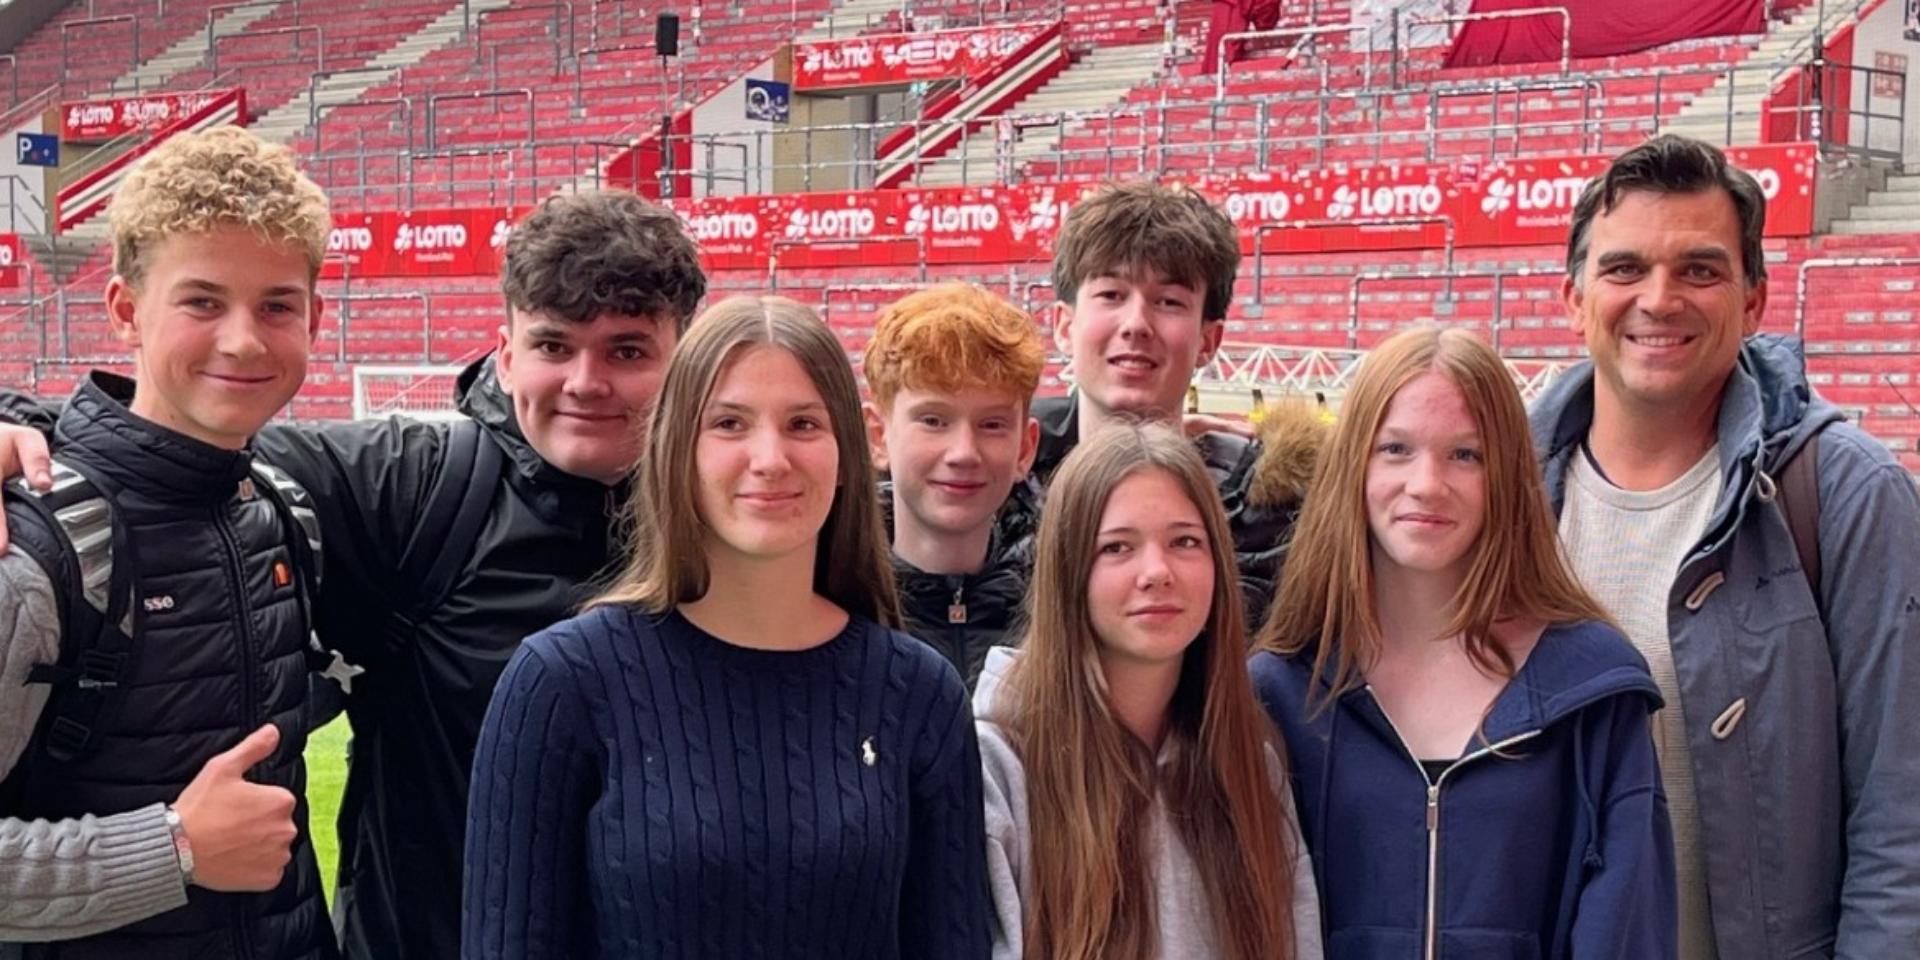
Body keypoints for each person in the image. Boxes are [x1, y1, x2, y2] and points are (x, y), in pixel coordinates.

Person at [0, 189, 707, 960]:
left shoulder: (746, 518)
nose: (585, 382)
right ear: (506, 354)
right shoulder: (416, 488)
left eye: (628, 351)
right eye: (553, 346)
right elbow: (165, 446)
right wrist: (16, 430)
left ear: (688, 355)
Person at [462, 296, 992, 960]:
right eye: (730, 424)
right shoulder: (561, 686)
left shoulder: (917, 695)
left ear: (846, 449)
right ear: (678, 446)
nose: (769, 458)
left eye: (803, 423)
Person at [1535, 134, 1920, 959]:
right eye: (1625, 268)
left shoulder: (1846, 494)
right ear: (1573, 298)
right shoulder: (1503, 493)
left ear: (1754, 303)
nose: (1659, 299)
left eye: (1700, 270)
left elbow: (1903, 815)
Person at [0, 126, 339, 958]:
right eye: (202, 301)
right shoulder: (33, 548)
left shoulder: (280, 509)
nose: (243, 340)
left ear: (315, 318)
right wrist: (174, 848)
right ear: (124, 309)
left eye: (276, 306)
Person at [1250, 326, 1676, 958]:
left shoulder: (1593, 692)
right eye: (1395, 449)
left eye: (1465, 455)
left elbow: (1628, 930)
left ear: (1505, 474)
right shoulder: (1280, 692)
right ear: (1353, 467)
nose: (1426, 483)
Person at [977, 422, 1320, 960]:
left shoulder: (1251, 764)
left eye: (1185, 541)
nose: (1157, 572)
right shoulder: (996, 766)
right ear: (1070, 572)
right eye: (1117, 547)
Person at [1035, 180, 1325, 619]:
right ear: (1063, 325)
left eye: (1168, 301)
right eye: (1112, 295)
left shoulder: (1275, 519)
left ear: (1209, 340)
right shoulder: (997, 488)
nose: (1136, 324)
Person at [862, 283, 1045, 687]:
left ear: (1025, 448)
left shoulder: (1061, 607)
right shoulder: (832, 603)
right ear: (878, 436)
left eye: (992, 424)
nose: (963, 452)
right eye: (933, 421)